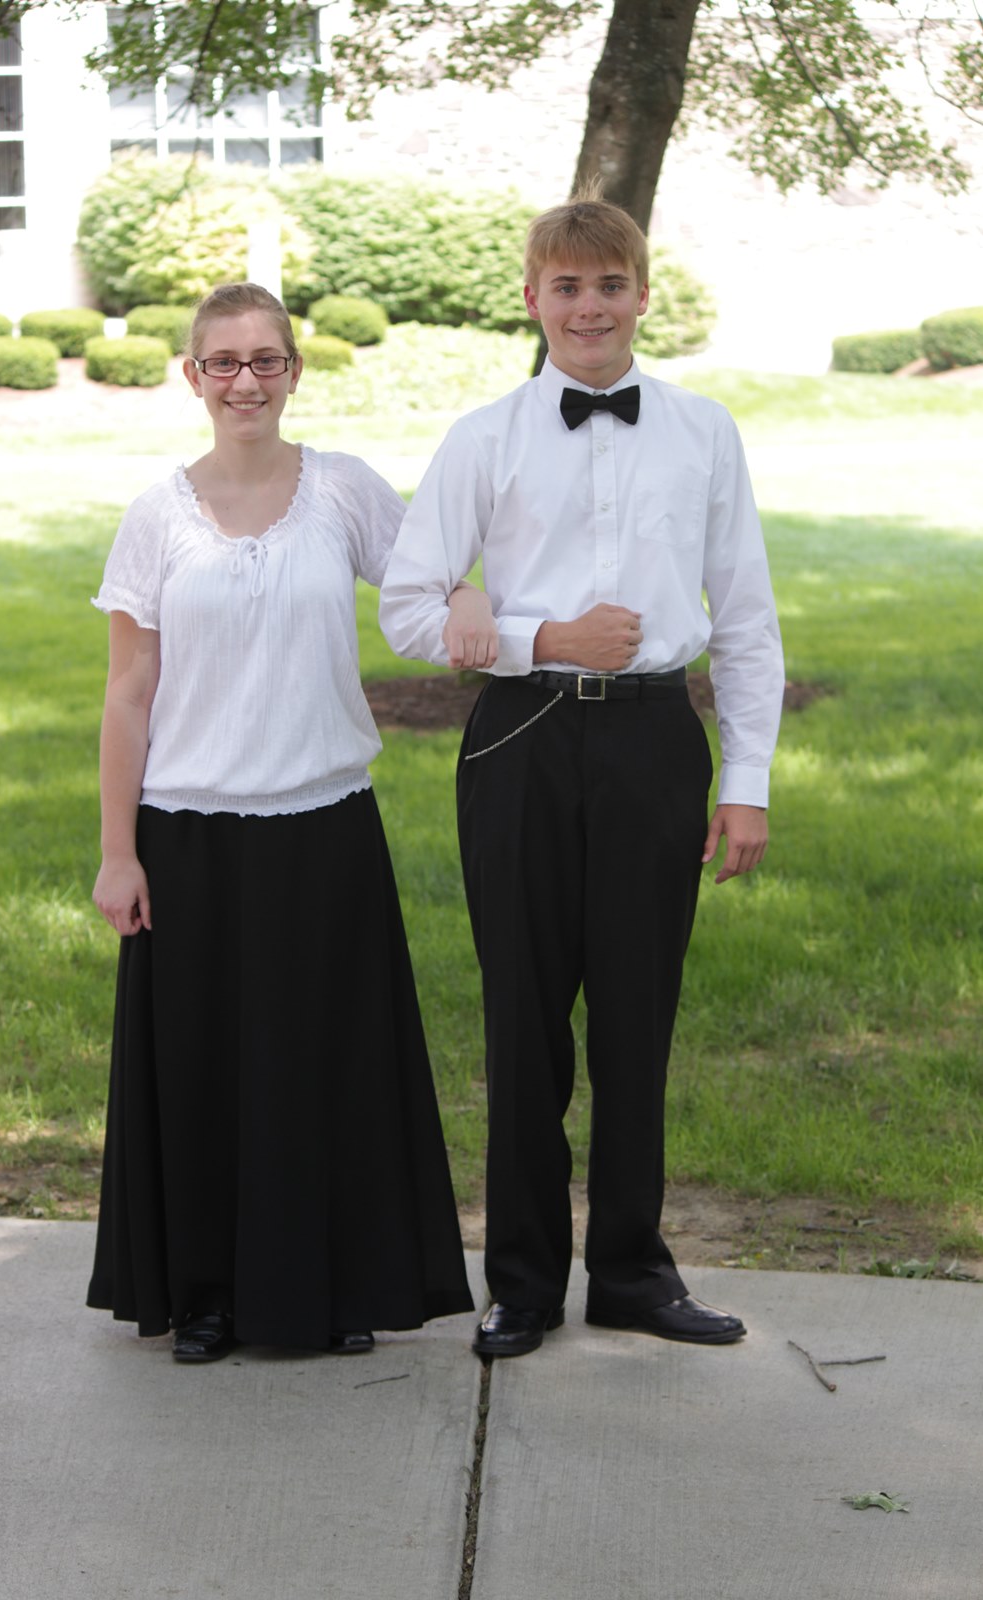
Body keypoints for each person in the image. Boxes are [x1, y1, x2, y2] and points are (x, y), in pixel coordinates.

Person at [379, 195, 784, 1358]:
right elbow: (408, 604)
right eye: (566, 287)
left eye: (609, 286)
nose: (589, 307)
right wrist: (541, 637)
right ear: (532, 299)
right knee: (523, 1018)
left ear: (641, 295)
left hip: (654, 742)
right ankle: (520, 1280)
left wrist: (745, 779)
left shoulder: (702, 431)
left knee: (635, 1015)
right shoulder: (483, 438)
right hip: (520, 742)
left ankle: (632, 1273)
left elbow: (743, 617)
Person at [87, 280, 484, 1362]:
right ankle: (208, 1294)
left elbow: (426, 590)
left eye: (265, 359)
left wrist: (470, 600)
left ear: (294, 371)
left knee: (325, 1068)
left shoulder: (344, 490)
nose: (245, 381)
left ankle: (332, 1288)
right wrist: (119, 853)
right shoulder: (156, 517)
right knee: (205, 1072)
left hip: (323, 826)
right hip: (189, 834)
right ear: (192, 377)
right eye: (223, 362)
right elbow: (128, 692)